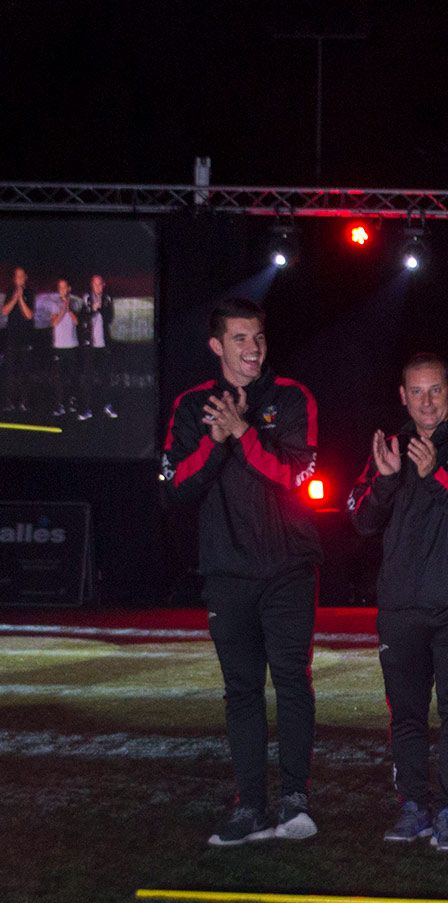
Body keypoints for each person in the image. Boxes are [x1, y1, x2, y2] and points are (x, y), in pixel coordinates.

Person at [161, 297, 321, 846]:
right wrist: (216, 440)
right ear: (216, 345)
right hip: (226, 571)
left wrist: (244, 433)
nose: (252, 348)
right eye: (239, 339)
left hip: (289, 566)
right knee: (242, 691)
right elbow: (176, 488)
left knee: (292, 682)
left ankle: (295, 800)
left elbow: (296, 477)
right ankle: (250, 805)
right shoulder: (191, 406)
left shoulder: (292, 397)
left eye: (258, 337)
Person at [348, 352, 448, 853]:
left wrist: (437, 473)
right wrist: (386, 480)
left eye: (435, 390)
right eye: (416, 392)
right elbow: (361, 519)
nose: (427, 401)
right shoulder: (390, 449)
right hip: (401, 609)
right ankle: (413, 806)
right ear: (402, 396)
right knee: (407, 716)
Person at [76, 274, 116, 419]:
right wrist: (92, 309)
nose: (98, 287)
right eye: (95, 284)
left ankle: (107, 406)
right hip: (90, 345)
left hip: (103, 345)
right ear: (91, 285)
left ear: (103, 285)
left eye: (100, 284)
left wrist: (101, 308)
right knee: (88, 378)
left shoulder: (107, 299)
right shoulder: (86, 298)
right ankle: (87, 409)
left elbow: (110, 318)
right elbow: (81, 318)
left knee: (105, 378)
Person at [2, 267, 33, 413]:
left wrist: (21, 298)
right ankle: (9, 401)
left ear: (25, 277)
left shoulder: (29, 293)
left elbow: (29, 315)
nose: (19, 278)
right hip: (11, 339)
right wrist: (15, 297)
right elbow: (5, 311)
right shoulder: (10, 292)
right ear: (14, 279)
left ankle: (24, 402)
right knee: (10, 372)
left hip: (25, 340)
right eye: (17, 276)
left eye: (22, 276)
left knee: (24, 372)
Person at [47, 278, 77, 417]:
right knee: (59, 378)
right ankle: (59, 405)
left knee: (72, 376)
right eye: (60, 287)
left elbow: (76, 321)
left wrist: (68, 308)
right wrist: (63, 309)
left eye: (64, 287)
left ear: (69, 288)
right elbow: (54, 323)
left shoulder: (74, 303)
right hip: (59, 346)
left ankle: (71, 402)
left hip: (72, 345)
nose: (62, 290)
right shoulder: (54, 303)